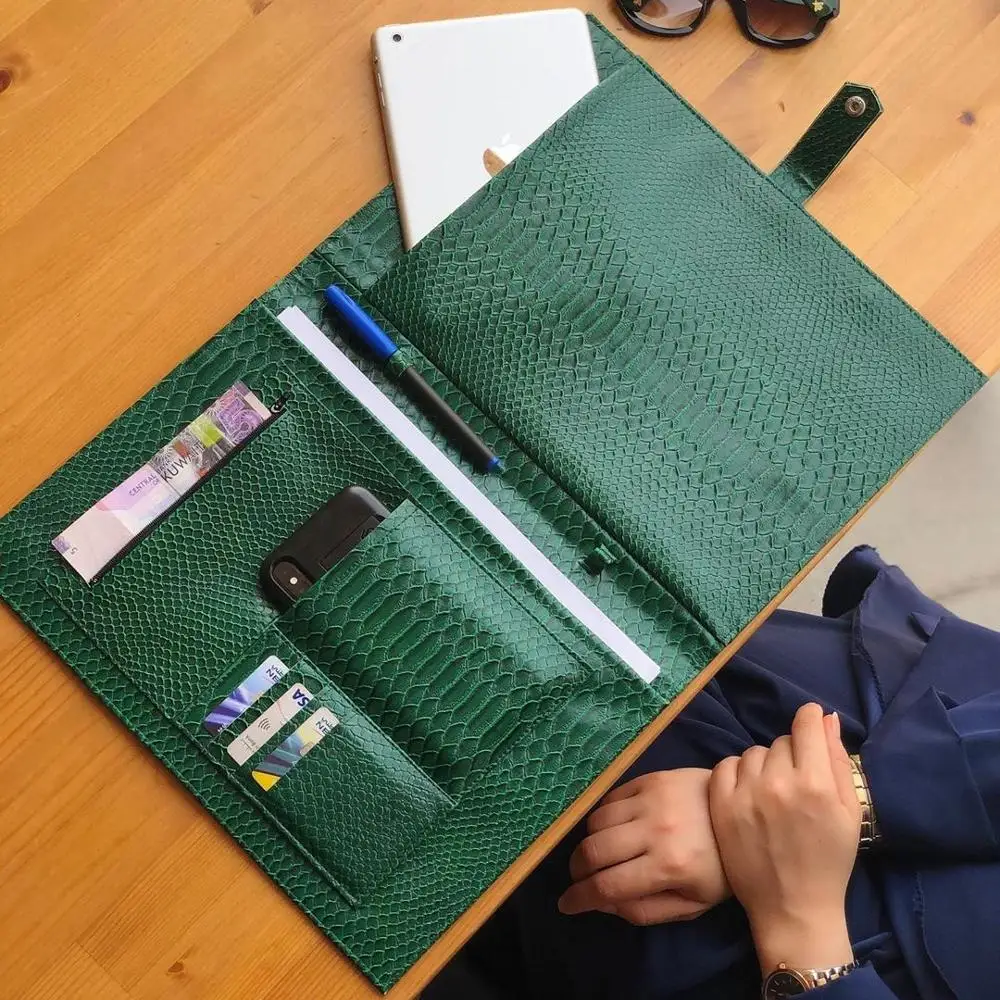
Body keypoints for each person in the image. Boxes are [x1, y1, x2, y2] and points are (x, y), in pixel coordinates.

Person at [427, 546, 1000, 999]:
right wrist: (849, 796)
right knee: (487, 601)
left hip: (802, 954)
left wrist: (803, 934)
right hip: (890, 742)